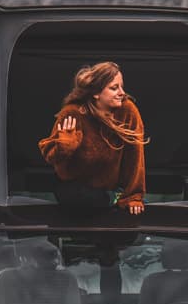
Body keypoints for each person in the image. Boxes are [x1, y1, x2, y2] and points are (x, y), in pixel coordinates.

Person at [38, 62, 147, 214]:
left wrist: (133, 196)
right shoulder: (72, 113)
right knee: (77, 196)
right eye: (114, 88)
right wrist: (65, 145)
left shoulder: (127, 111)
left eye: (122, 87)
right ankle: (109, 199)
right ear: (96, 93)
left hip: (111, 186)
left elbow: (135, 158)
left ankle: (114, 196)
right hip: (76, 189)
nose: (122, 93)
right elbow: (52, 159)